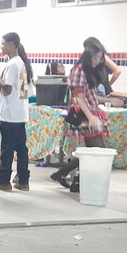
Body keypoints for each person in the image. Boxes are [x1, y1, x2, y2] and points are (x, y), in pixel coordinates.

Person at [50, 44, 111, 192]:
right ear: (90, 56)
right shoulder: (78, 71)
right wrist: (91, 117)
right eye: (98, 58)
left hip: (91, 112)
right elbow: (79, 98)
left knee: (93, 151)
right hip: (84, 114)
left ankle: (70, 177)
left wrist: (109, 100)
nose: (99, 61)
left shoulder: (88, 71)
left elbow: (90, 96)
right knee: (97, 151)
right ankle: (73, 178)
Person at [0, 32, 34, 191]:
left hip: (10, 114)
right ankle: (23, 180)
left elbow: (7, 89)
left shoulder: (12, 65)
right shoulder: (21, 63)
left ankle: (4, 181)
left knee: (7, 149)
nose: (1, 46)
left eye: (3, 43)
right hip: (19, 113)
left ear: (12, 45)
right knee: (21, 149)